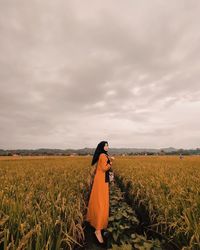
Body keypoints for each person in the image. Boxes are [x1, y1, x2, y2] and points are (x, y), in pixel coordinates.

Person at [86, 141, 114, 245]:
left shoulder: (102, 155)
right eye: (106, 145)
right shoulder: (103, 155)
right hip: (102, 182)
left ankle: (98, 225)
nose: (107, 146)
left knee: (99, 202)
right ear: (102, 147)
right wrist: (110, 162)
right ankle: (98, 230)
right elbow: (104, 168)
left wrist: (109, 160)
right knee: (102, 203)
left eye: (107, 145)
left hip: (101, 181)